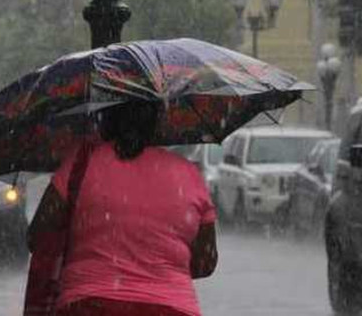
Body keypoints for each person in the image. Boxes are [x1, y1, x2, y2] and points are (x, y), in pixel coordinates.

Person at [27, 102, 218, 316]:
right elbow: (205, 263)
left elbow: (38, 237)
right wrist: (160, 267)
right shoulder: (188, 174)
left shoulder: (81, 165)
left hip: (87, 306)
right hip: (172, 308)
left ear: (106, 118)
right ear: (158, 121)